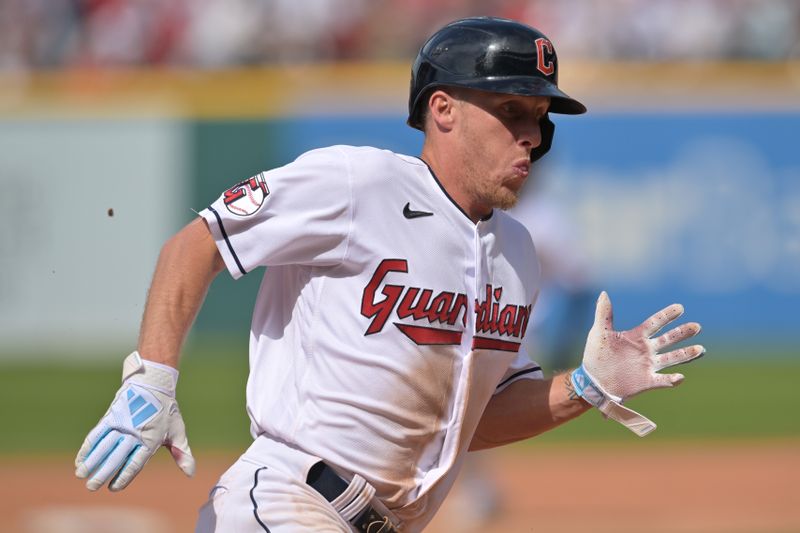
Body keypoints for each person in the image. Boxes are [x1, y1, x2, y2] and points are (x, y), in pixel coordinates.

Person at [74, 17, 705, 533]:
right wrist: (152, 380)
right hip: (292, 502)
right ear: (443, 109)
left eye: (540, 118)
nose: (531, 136)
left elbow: (471, 417)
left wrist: (586, 386)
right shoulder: (358, 183)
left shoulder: (517, 252)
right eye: (511, 109)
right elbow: (196, 245)